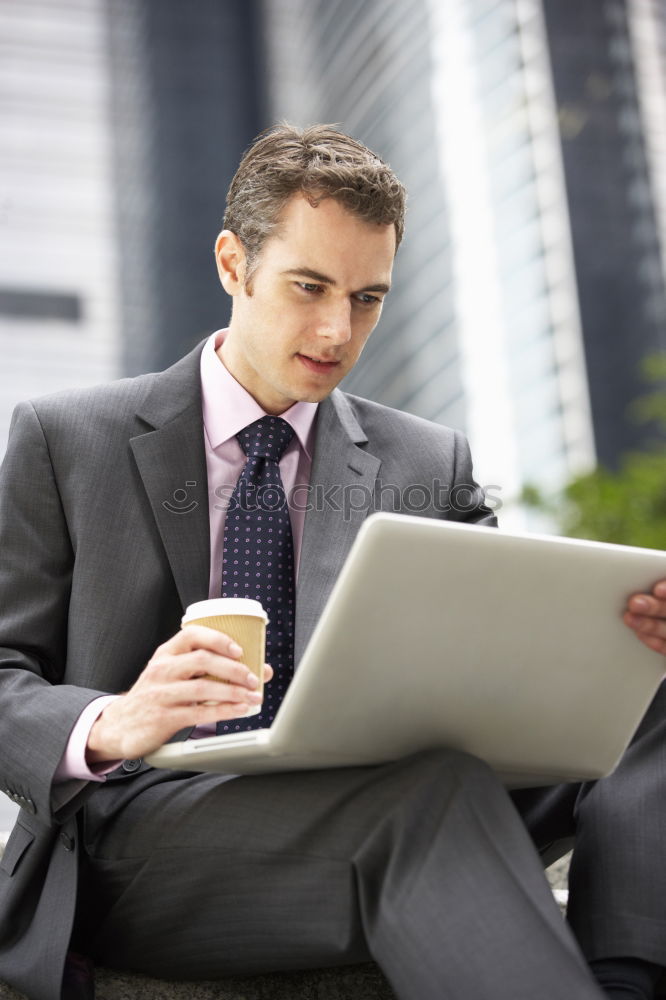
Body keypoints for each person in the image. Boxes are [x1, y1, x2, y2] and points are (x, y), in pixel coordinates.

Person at [0, 123, 664, 1000]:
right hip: (145, 840)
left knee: (648, 677)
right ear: (234, 264)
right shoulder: (66, 438)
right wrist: (113, 721)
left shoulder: (431, 463)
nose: (336, 329)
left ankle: (623, 978)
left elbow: (500, 667)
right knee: (425, 800)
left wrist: (610, 647)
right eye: (309, 286)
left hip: (374, 793)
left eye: (367, 298)